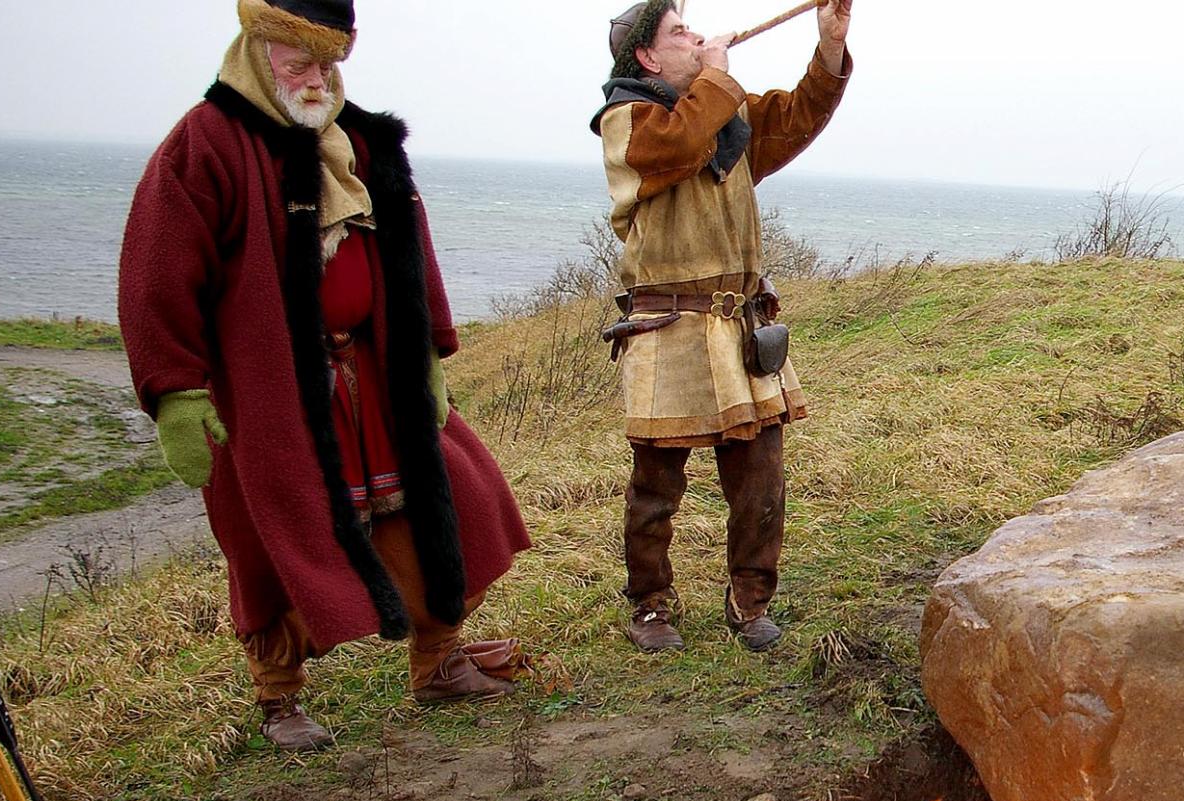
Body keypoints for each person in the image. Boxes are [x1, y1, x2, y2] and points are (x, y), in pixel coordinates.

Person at [119, 0, 534, 752]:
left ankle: (437, 658)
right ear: (257, 49)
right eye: (298, 62)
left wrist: (430, 355)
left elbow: (412, 249)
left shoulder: (364, 141)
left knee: (456, 499)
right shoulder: (204, 145)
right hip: (268, 391)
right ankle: (280, 698)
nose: (316, 79)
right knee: (272, 538)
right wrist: (176, 393)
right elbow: (157, 276)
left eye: (327, 63)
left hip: (376, 375)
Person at [592, 0, 853, 653]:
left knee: (761, 474)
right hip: (666, 325)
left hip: (739, 323)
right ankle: (650, 606)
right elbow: (679, 141)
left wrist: (827, 47)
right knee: (656, 485)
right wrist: (718, 72)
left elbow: (797, 117)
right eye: (680, 32)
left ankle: (750, 601)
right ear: (647, 58)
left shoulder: (722, 112)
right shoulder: (628, 122)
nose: (699, 37)